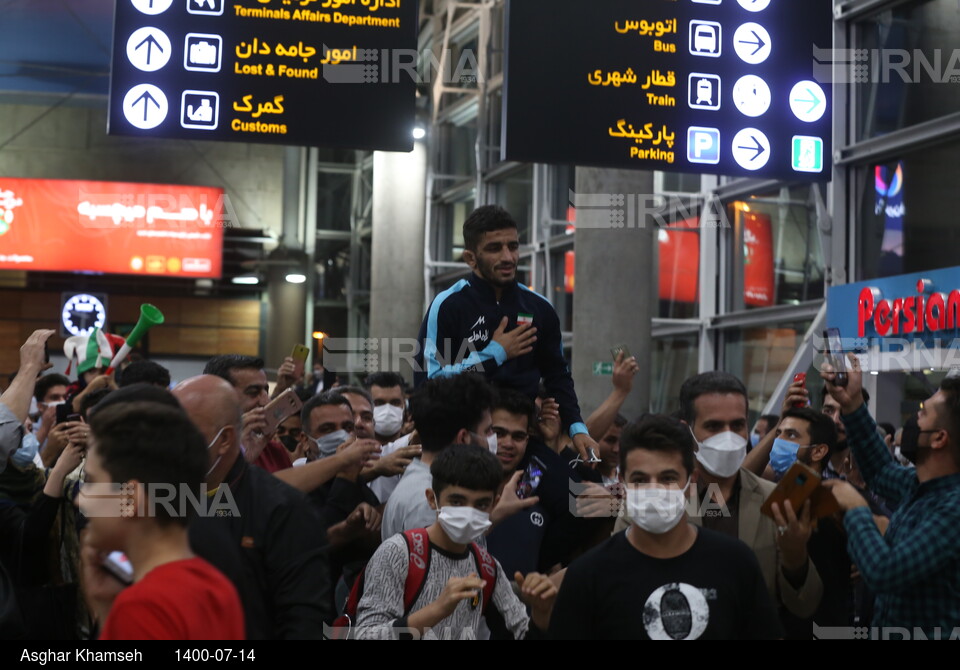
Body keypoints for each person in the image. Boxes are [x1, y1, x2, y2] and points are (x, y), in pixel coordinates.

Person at [548, 415, 782, 640]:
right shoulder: (587, 575)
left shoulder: (735, 562)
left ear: (691, 482)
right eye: (639, 480)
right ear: (622, 483)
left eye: (668, 478)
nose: (654, 490)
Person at [414, 205, 598, 463]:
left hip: (524, 446)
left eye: (513, 246)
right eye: (494, 248)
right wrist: (496, 353)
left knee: (571, 495)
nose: (508, 257)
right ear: (470, 258)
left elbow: (558, 376)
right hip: (464, 446)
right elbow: (432, 383)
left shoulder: (539, 308)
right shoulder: (448, 306)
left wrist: (577, 427)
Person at [172, 375, 334, 639]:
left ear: (224, 439)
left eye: (182, 431)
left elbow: (303, 618)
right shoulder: (159, 498)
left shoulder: (281, 508)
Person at [354, 444, 557, 640]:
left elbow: (521, 633)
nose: (468, 512)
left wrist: (541, 612)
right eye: (457, 502)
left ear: (494, 504)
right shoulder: (398, 553)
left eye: (481, 504)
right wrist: (437, 610)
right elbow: (365, 635)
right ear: (433, 499)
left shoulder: (487, 567)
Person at [79, 401, 245, 640]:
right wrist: (107, 608)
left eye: (93, 483)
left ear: (129, 498)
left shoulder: (142, 607)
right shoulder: (217, 585)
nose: (81, 500)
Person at [823, 357, 960, 634]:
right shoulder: (919, 485)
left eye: (922, 413)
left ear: (939, 438)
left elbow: (885, 571)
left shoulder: (953, 508)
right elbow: (880, 469)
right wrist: (852, 405)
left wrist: (856, 508)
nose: (912, 419)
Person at [677, 372, 822, 621]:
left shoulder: (776, 502)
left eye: (737, 425)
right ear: (686, 431)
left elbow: (805, 604)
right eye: (713, 426)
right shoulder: (657, 501)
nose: (728, 436)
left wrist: (795, 557)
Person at [380, 373, 497, 540]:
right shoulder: (430, 503)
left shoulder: (426, 482)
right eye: (488, 431)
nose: (493, 439)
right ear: (463, 438)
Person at [768, 407, 850, 638]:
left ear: (818, 451)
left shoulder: (832, 501)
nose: (779, 442)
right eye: (778, 434)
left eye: (791, 435)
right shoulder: (778, 496)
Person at [203, 355, 291, 473]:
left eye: (266, 390)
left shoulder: (275, 451)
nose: (266, 401)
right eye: (254, 392)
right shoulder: (199, 453)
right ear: (219, 397)